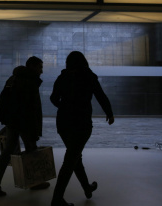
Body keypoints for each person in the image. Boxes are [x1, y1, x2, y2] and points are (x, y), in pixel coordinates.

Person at [50, 51, 115, 206]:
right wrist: (109, 113)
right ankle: (57, 200)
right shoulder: (88, 76)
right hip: (81, 123)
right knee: (71, 160)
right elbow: (100, 95)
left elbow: (53, 98)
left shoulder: (62, 77)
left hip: (63, 123)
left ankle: (87, 188)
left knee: (74, 157)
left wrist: (64, 107)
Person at [0, 56, 48, 196]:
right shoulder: (29, 81)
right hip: (24, 122)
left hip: (12, 121)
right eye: (40, 67)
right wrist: (34, 130)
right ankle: (35, 182)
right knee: (32, 149)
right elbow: (31, 108)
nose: (41, 71)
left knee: (7, 151)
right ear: (32, 67)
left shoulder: (14, 78)